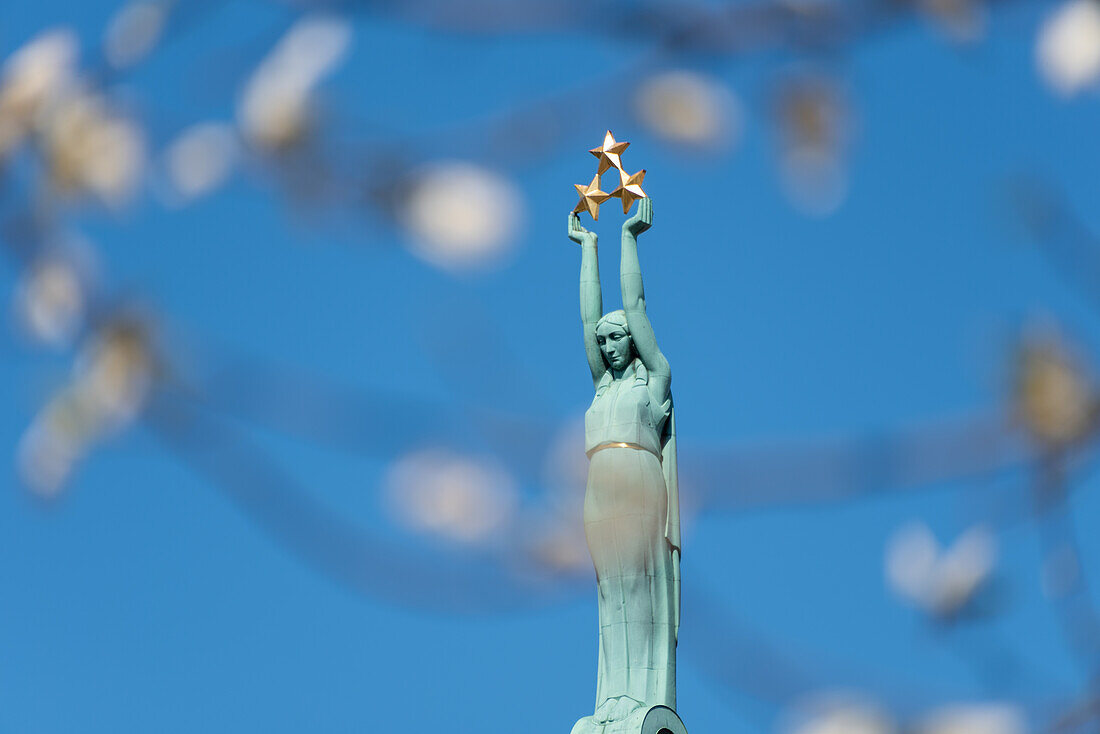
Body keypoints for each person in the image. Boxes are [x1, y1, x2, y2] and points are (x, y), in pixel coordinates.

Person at [568, 197, 681, 729]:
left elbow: (632, 306)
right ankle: (613, 696)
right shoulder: (601, 387)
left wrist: (626, 238)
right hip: (598, 487)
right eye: (604, 341)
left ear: (634, 342)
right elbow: (588, 316)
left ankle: (640, 691)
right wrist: (585, 249)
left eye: (618, 338)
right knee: (608, 589)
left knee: (636, 584)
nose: (609, 345)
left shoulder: (653, 379)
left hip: (637, 479)